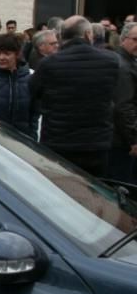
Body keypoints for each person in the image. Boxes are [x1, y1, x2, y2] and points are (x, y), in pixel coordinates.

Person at [29, 16, 121, 176]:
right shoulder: (111, 61)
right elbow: (117, 95)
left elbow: (33, 91)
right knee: (95, 194)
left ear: (60, 36)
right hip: (96, 144)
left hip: (57, 142)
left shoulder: (48, 64)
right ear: (87, 34)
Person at [111, 22, 137, 183]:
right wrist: (134, 140)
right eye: (135, 39)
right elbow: (124, 106)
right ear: (123, 39)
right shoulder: (123, 66)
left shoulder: (129, 61)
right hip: (122, 142)